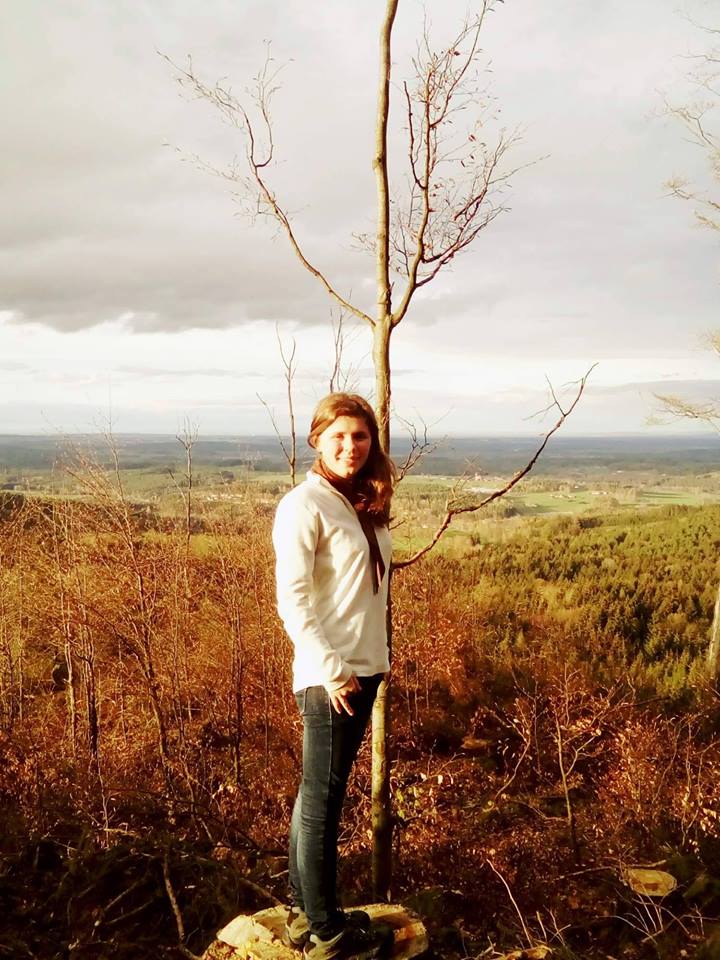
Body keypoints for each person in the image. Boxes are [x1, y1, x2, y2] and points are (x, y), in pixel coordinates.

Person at [272, 393, 395, 960]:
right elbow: (293, 601)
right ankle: (327, 933)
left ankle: (305, 913)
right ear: (317, 440)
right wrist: (333, 670)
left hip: (360, 669)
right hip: (332, 678)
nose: (351, 446)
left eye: (361, 436)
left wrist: (369, 663)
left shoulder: (360, 503)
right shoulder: (305, 505)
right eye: (339, 436)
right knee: (324, 802)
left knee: (316, 795)